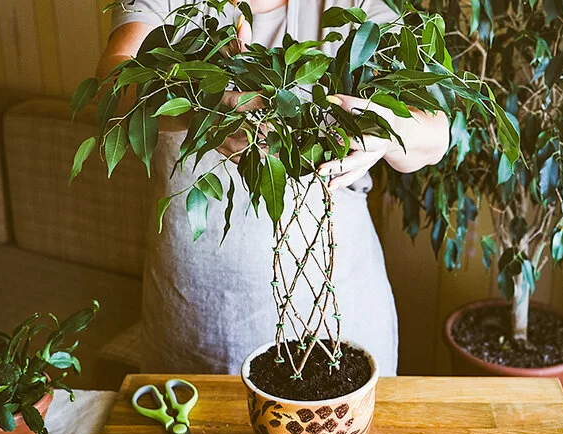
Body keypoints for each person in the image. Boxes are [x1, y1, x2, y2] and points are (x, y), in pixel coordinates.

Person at [97, 0, 450, 376]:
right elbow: (109, 89)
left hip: (339, 304)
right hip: (198, 302)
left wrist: (387, 130)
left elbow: (435, 132)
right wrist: (201, 110)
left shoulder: (357, 6)